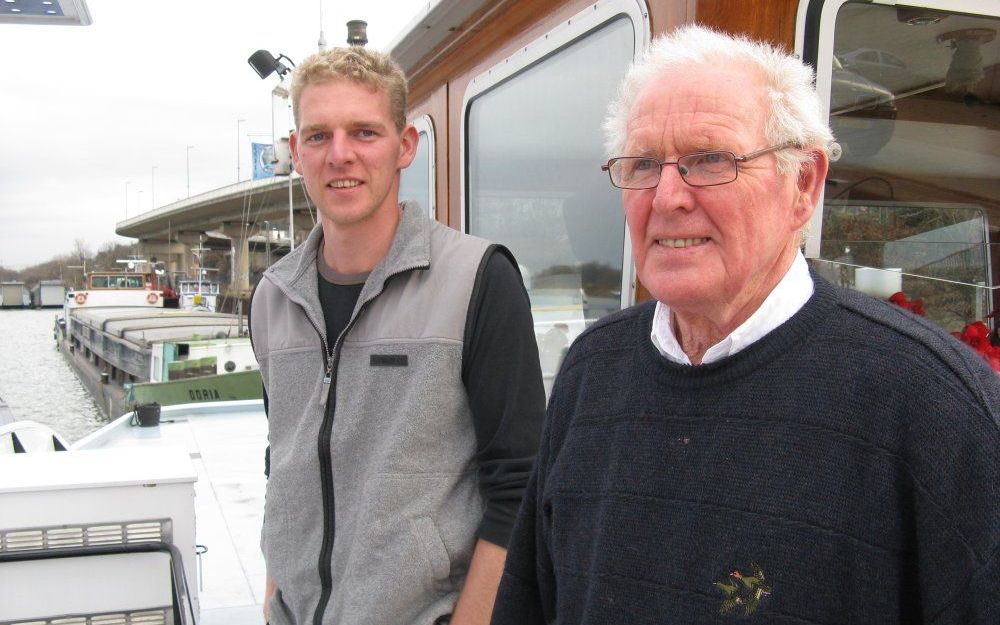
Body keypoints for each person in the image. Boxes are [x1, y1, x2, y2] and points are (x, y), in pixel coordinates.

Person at [491, 24, 1000, 625]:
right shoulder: (590, 370)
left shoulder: (933, 402)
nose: (667, 196)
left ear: (803, 185)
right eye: (643, 164)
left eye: (710, 160)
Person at [249, 46, 545, 625]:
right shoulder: (272, 297)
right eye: (317, 136)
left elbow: (520, 487)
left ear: (405, 145)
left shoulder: (478, 280)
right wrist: (272, 598)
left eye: (364, 132)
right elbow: (282, 465)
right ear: (295, 153)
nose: (340, 155)